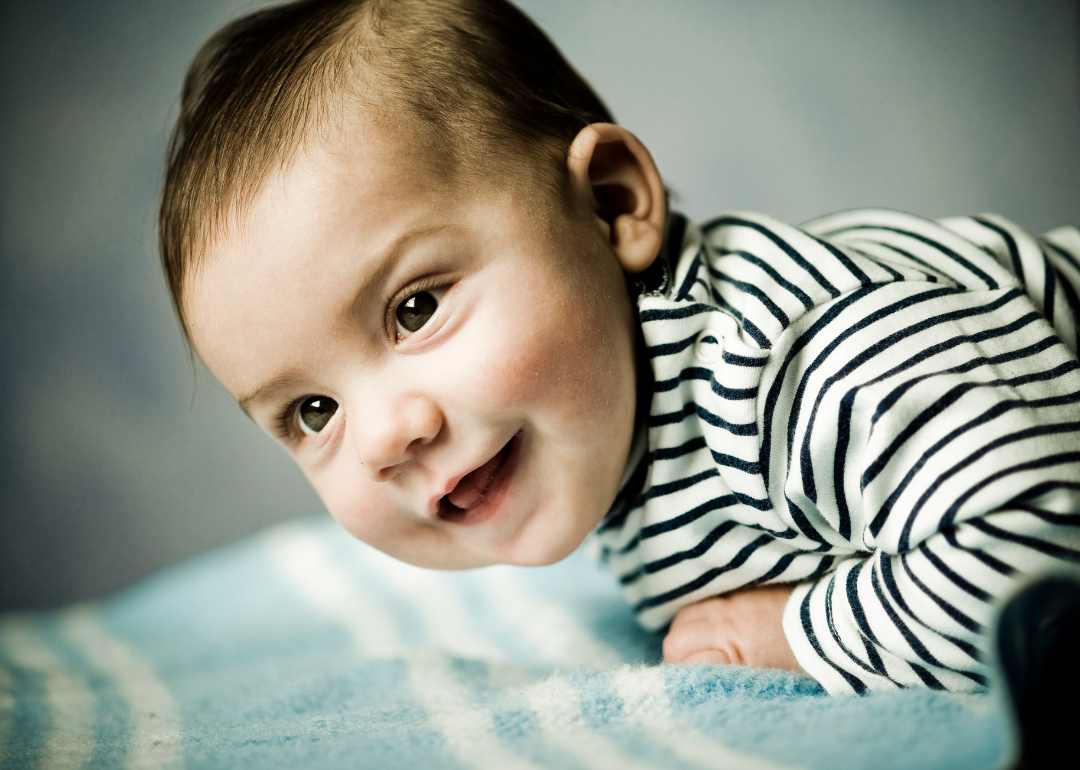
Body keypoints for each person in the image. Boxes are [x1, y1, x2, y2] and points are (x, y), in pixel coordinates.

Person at [160, 0, 1080, 694]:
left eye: (414, 309)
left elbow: (1042, 533)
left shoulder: (789, 363)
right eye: (312, 412)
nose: (378, 439)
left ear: (609, 204)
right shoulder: (605, 427)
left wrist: (795, 635)